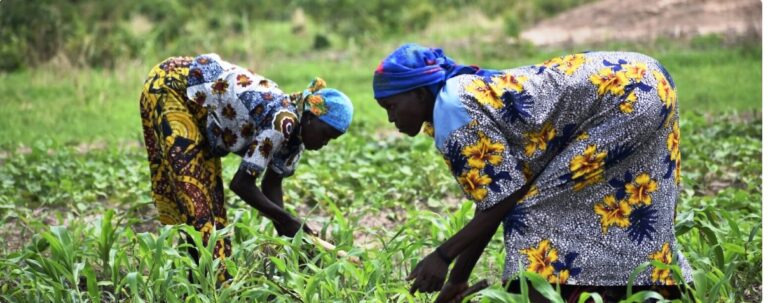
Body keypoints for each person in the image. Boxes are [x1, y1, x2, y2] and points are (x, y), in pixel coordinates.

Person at [372, 44, 691, 302]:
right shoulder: (454, 100)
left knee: (529, 217)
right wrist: (457, 281)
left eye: (391, 106)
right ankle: (648, 291)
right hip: (644, 78)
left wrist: (443, 256)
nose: (391, 118)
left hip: (623, 96)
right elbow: (492, 200)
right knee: (632, 202)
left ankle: (563, 294)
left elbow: (505, 199)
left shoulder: (453, 110)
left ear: (419, 94)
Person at [139, 54, 353, 283]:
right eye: (325, 134)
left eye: (331, 140)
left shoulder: (296, 143)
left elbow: (271, 187)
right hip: (176, 86)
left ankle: (212, 283)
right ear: (310, 117)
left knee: (212, 206)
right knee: (195, 198)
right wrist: (288, 220)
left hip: (205, 110)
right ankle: (206, 285)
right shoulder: (284, 121)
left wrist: (298, 244)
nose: (324, 143)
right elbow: (241, 184)